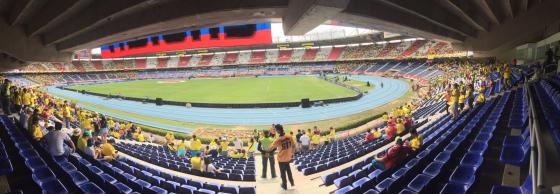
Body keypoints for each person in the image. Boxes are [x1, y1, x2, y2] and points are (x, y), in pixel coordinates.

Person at [269, 124, 295, 190]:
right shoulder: (289, 136)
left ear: (277, 130)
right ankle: (292, 182)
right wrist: (291, 153)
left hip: (281, 159)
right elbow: (293, 145)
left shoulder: (278, 140)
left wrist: (272, 141)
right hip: (288, 157)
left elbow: (270, 148)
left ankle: (284, 185)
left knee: (282, 173)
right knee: (288, 170)